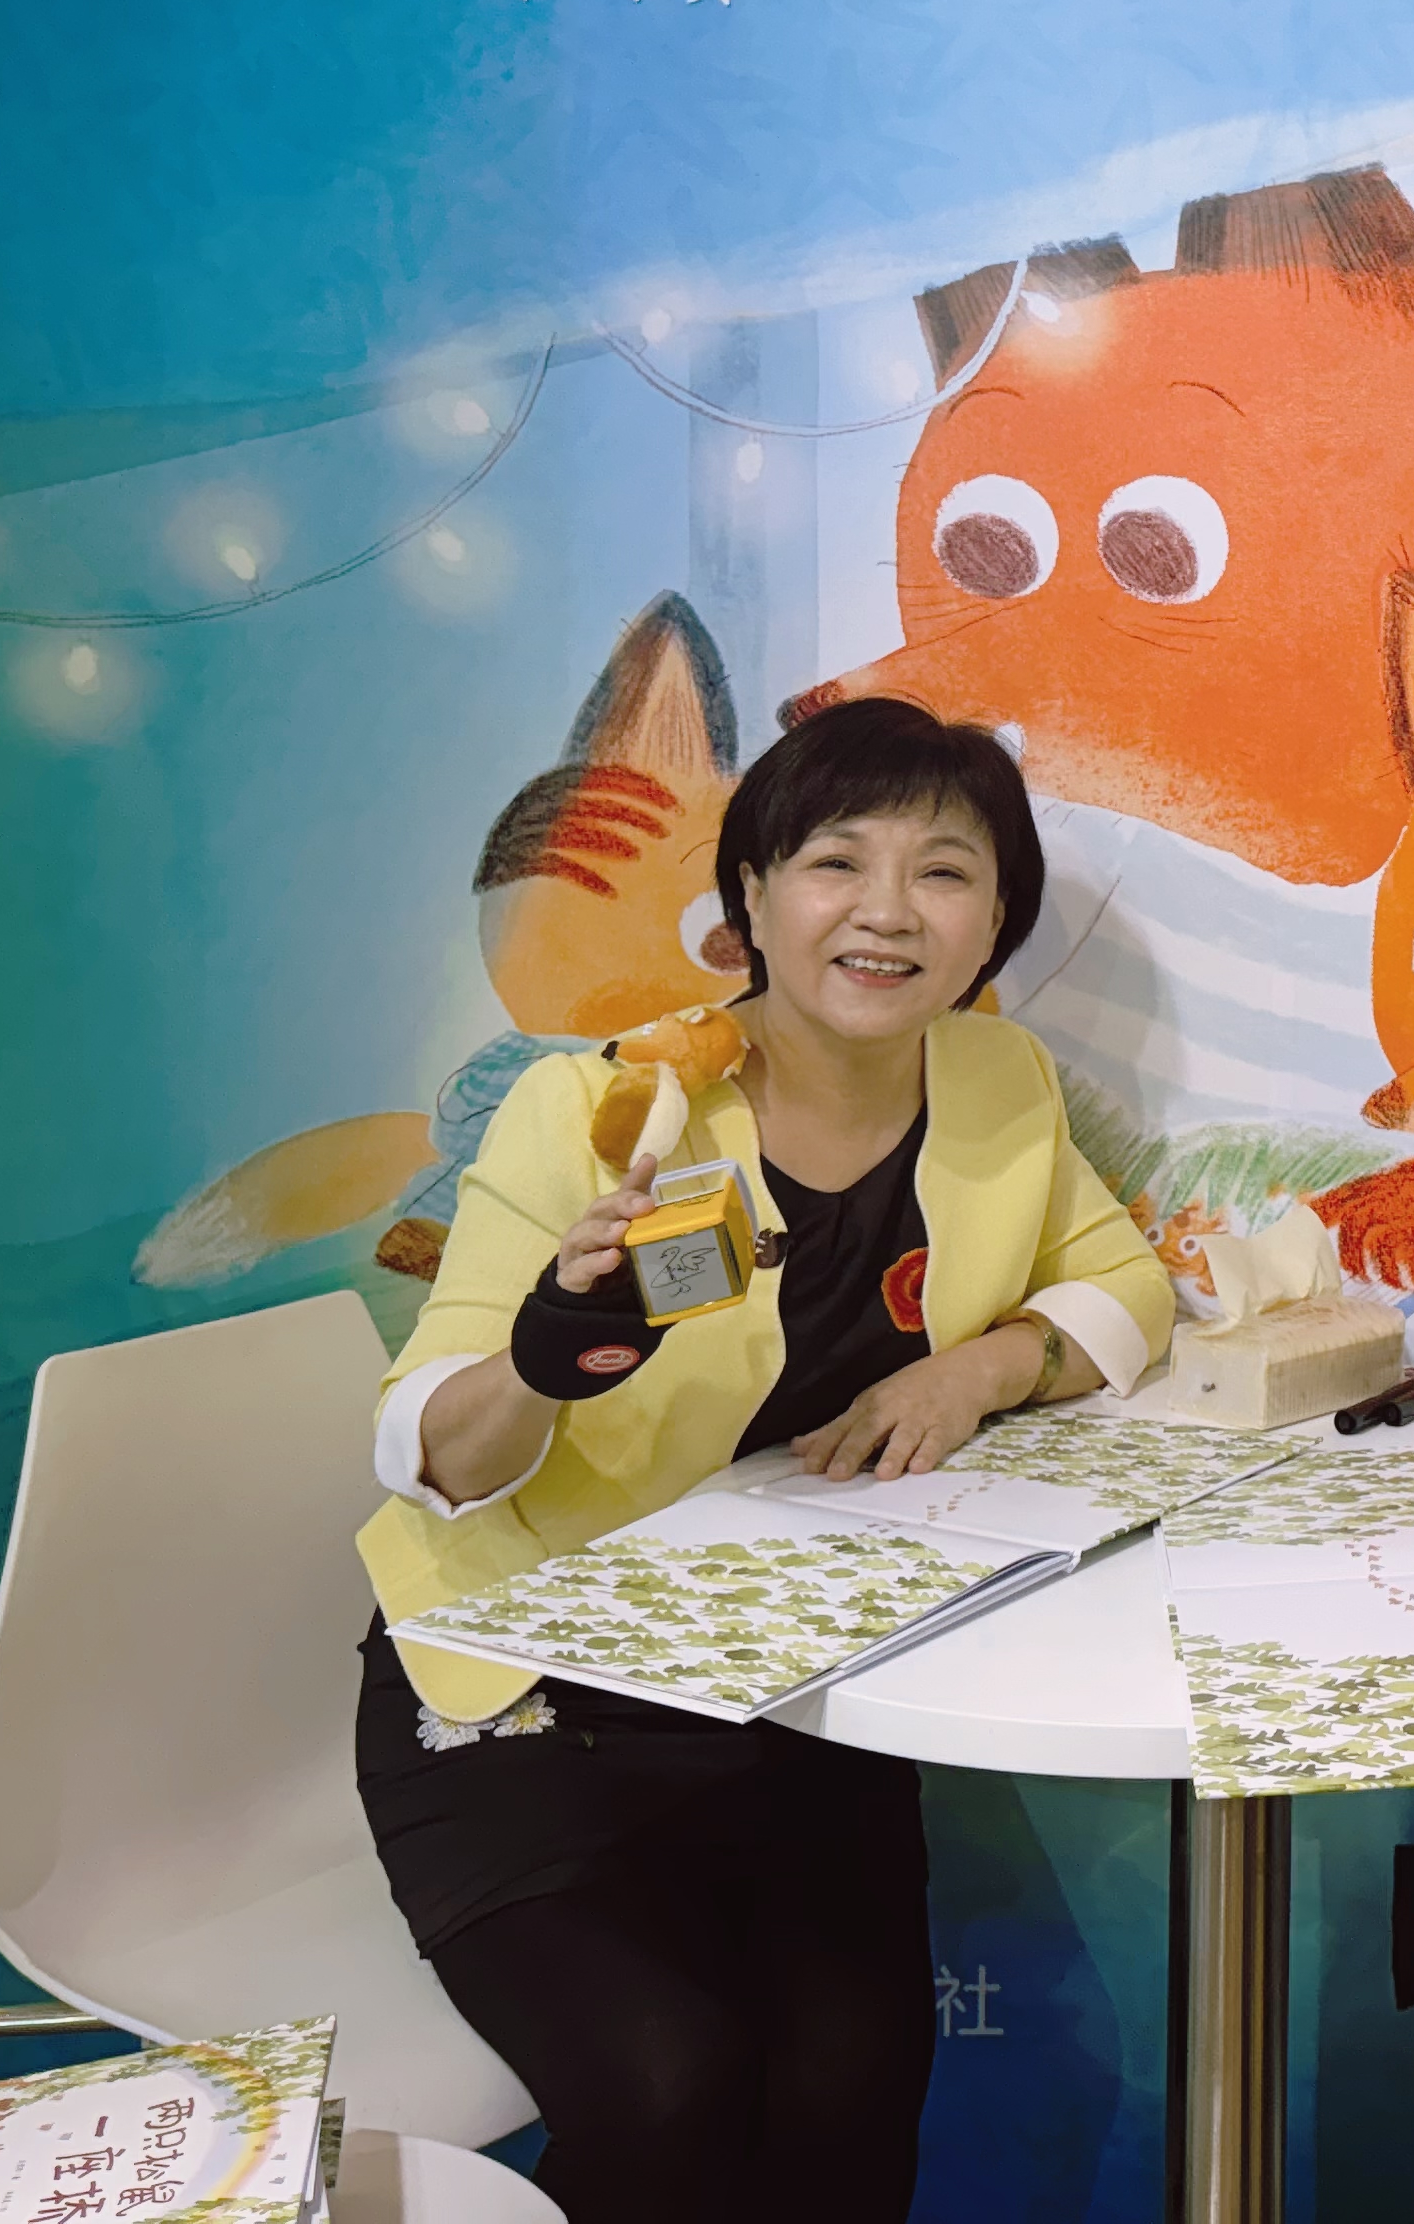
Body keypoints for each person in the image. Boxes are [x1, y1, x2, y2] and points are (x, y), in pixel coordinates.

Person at [350, 695, 1173, 2224]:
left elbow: (1126, 1290)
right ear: (750, 896)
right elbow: (428, 1449)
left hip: (797, 1693)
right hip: (535, 1690)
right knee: (670, 2085)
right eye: (834, 862)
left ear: (996, 922)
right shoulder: (602, 1116)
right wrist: (547, 1353)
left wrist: (978, 1367)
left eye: (944, 871)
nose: (886, 911)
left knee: (857, 2081)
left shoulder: (998, 1081)